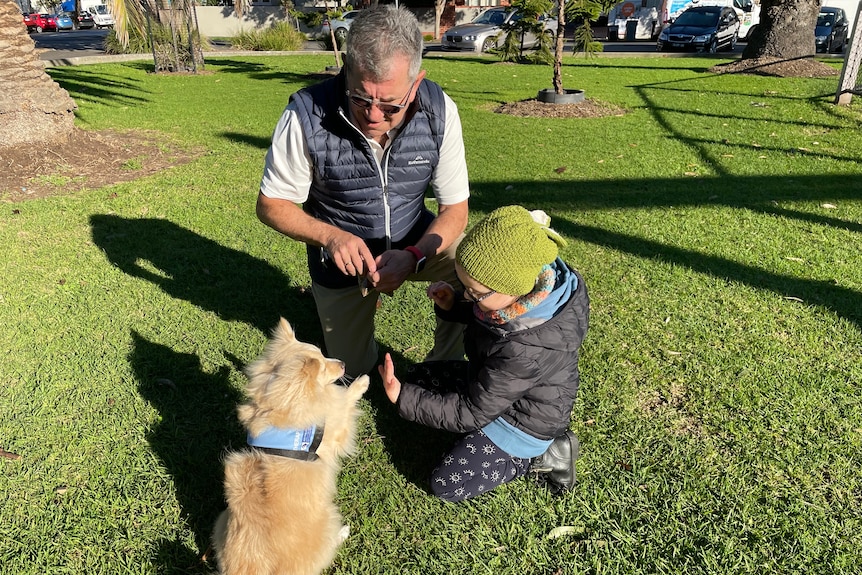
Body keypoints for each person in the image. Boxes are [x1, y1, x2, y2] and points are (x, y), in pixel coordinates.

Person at [256, 6, 470, 379]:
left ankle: (446, 364)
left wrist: (415, 256)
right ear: (346, 71)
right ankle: (350, 314)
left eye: (390, 105)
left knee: (472, 262)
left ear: (416, 82)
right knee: (351, 370)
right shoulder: (305, 113)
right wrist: (331, 237)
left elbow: (456, 209)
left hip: (414, 239)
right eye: (360, 98)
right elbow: (271, 203)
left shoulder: (440, 110)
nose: (373, 115)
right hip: (341, 260)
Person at [378, 206, 589, 502]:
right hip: (495, 387)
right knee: (419, 377)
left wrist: (403, 398)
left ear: (512, 288)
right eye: (463, 285)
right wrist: (455, 305)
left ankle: (541, 457)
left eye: (475, 293)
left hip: (522, 424)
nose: (468, 295)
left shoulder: (525, 348)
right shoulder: (523, 294)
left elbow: (471, 412)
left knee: (446, 483)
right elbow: (488, 318)